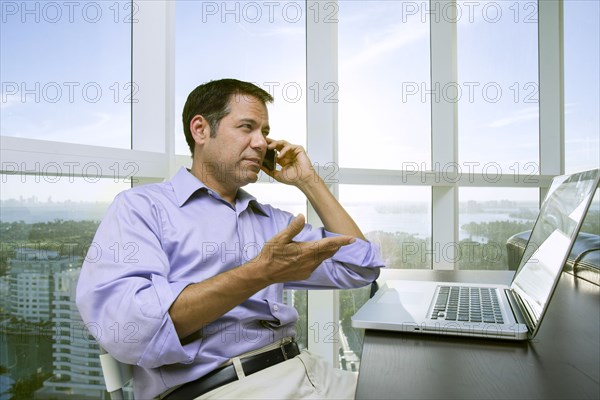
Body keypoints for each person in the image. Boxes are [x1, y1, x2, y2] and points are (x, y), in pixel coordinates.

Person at [76, 78, 384, 399]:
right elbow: (127, 329)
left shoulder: (270, 220)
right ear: (201, 130)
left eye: (264, 132)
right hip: (223, 388)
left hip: (305, 370)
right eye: (246, 127)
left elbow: (360, 265)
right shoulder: (143, 208)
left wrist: (309, 181)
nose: (261, 143)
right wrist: (259, 273)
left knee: (417, 384)